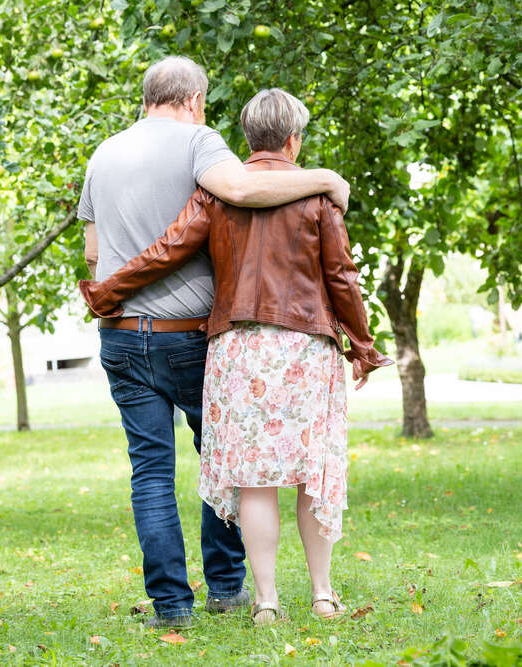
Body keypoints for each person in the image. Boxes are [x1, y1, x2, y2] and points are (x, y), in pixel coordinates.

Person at [80, 88, 392, 625]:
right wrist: (361, 347)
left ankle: (266, 602)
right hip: (304, 348)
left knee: (252, 478)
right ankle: (321, 594)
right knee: (312, 474)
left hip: (236, 348)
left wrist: (108, 290)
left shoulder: (214, 194)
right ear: (295, 139)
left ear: (246, 138)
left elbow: (168, 249)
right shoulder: (318, 197)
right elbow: (341, 277)